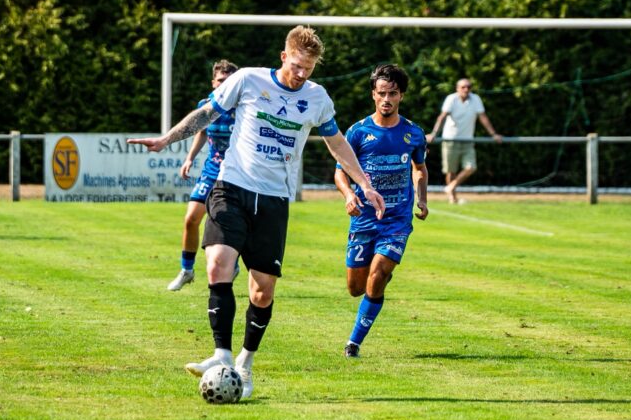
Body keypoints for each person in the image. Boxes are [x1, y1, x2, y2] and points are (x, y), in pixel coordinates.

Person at [128, 26, 385, 399]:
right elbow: (206, 114)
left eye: (308, 69)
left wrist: (364, 183)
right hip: (231, 187)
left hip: (273, 200)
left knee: (262, 292)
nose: (301, 74)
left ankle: (245, 365)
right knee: (217, 264)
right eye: (297, 65)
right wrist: (167, 139)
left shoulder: (317, 98)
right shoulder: (247, 80)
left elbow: (337, 143)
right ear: (284, 57)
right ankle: (220, 355)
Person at [335, 64, 428, 358]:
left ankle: (354, 343)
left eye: (393, 94)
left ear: (401, 96)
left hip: (397, 221)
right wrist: (349, 194)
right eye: (382, 93)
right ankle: (381, 273)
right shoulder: (358, 132)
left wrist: (422, 200)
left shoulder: (413, 133)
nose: (387, 99)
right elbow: (340, 172)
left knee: (377, 275)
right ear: (373, 95)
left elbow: (420, 168)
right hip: (364, 218)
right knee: (355, 288)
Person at [167, 59, 240, 291]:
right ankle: (186, 270)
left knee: (228, 221)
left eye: (229, 81)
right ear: (213, 82)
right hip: (211, 170)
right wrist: (190, 158)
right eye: (220, 81)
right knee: (191, 219)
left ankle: (233, 264)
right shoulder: (207, 104)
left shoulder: (243, 106)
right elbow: (201, 131)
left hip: (235, 173)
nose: (224, 85)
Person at [426, 77, 502, 204]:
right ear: (457, 89)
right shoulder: (451, 99)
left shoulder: (475, 99)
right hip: (450, 140)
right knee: (451, 171)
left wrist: (493, 134)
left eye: (468, 87)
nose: (466, 89)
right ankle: (452, 197)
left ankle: (450, 187)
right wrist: (434, 133)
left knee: (471, 167)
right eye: (463, 87)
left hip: (467, 141)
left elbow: (483, 117)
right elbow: (442, 117)